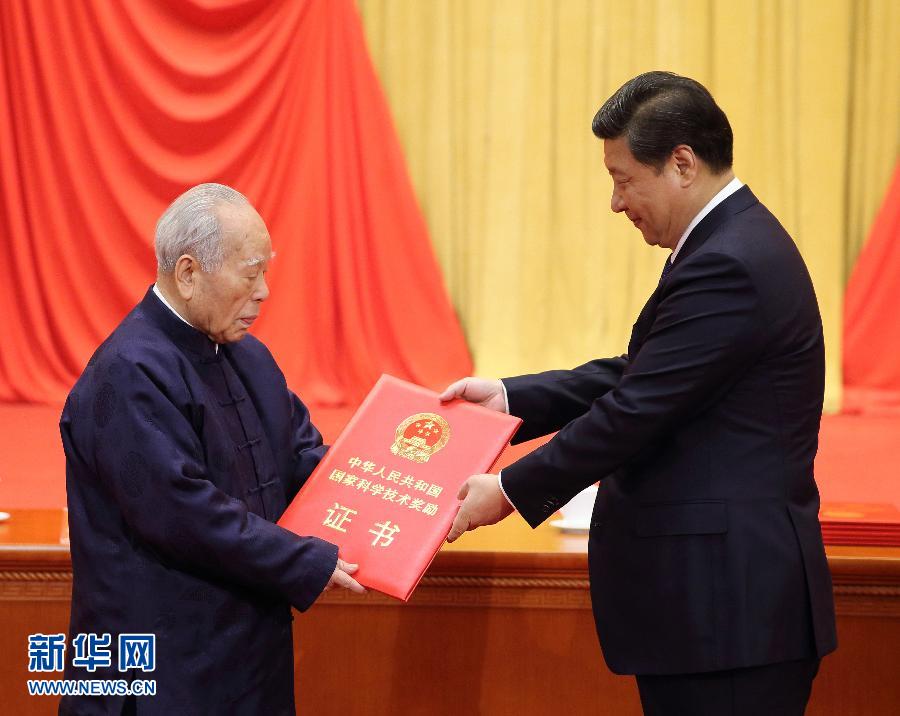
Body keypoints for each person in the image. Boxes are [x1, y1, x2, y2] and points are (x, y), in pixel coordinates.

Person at [441, 72, 837, 715]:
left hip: (730, 615)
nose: (616, 202)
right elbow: (645, 373)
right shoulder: (726, 241)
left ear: (682, 163)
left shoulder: (730, 260)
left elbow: (637, 408)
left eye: (623, 180)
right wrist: (511, 400)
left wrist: (510, 490)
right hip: (717, 612)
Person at [59, 183, 364, 715]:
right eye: (250, 273)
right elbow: (182, 514)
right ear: (188, 273)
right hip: (160, 669)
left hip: (248, 659)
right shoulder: (127, 372)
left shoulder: (251, 358)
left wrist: (395, 498)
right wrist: (305, 560)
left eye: (266, 271)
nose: (264, 291)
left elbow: (302, 458)